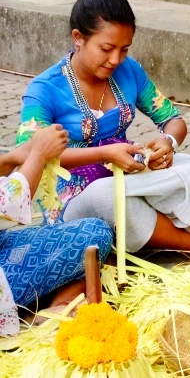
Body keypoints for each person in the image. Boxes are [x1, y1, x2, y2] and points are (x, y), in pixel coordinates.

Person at [17, 0, 190, 258]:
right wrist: (106, 153)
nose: (116, 59)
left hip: (127, 176)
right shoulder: (45, 89)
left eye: (125, 49)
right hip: (71, 201)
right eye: (106, 48)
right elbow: (28, 155)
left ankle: (144, 234)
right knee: (109, 197)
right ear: (78, 37)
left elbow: (173, 119)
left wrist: (167, 144)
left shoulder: (128, 71)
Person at [0, 125, 113, 336]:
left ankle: (59, 306)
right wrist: (39, 154)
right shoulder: (45, 92)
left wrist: (11, 159)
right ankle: (59, 311)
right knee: (93, 234)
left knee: (75, 228)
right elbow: (9, 202)